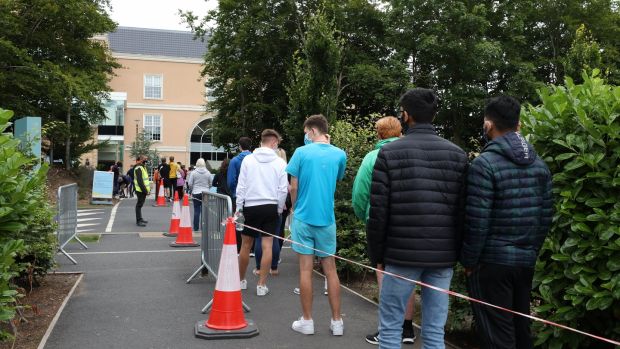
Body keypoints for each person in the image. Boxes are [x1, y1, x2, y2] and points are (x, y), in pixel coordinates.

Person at [367, 88, 468, 349]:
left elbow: (379, 211)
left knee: (390, 328)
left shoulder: (388, 154)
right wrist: (456, 253)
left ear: (405, 115)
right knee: (434, 331)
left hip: (400, 255)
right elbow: (461, 212)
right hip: (442, 256)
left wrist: (377, 255)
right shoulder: (457, 154)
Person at [461, 96, 553, 349]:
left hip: (491, 262)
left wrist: (469, 262)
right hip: (525, 262)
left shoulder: (484, 164)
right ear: (519, 125)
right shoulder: (540, 165)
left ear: (488, 125)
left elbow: (477, 220)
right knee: (520, 330)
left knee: (496, 335)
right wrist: (531, 251)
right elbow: (546, 216)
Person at [352, 116, 417, 345]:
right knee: (406, 274)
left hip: (378, 221)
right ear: (400, 131)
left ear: (379, 134)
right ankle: (407, 328)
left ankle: (387, 329)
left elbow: (360, 193)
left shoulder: (372, 157)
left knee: (383, 273)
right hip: (409, 222)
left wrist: (364, 215)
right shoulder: (412, 153)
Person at [287, 114, 347, 336]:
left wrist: (294, 207)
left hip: (303, 217)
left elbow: (293, 186)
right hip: (327, 219)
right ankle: (337, 321)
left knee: (305, 269)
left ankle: (307, 321)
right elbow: (337, 178)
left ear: (312, 131)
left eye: (306, 132)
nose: (305, 136)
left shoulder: (301, 152)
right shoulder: (339, 154)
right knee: (330, 270)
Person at [236, 129, 288, 297]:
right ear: (273, 142)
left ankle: (241, 280)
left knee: (245, 245)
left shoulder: (248, 160)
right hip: (271, 206)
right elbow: (282, 190)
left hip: (250, 206)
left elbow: (241, 186)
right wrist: (279, 208)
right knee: (267, 246)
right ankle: (261, 285)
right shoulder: (280, 163)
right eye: (277, 143)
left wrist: (239, 208)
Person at [253, 147, 289, 276]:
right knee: (274, 238)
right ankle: (274, 267)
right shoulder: (284, 167)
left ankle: (259, 268)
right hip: (277, 205)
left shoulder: (261, 166)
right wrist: (280, 208)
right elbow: (284, 189)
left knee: (259, 238)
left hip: (259, 204)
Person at [227, 137, 252, 251]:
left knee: (239, 221)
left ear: (239, 146)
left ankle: (239, 247)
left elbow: (231, 180)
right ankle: (252, 247)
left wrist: (233, 191)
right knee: (252, 221)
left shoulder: (235, 161)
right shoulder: (254, 159)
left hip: (238, 195)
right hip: (253, 195)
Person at [187, 158, 212, 232]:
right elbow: (210, 183)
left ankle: (196, 227)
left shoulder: (193, 173)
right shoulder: (208, 172)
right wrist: (207, 188)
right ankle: (204, 227)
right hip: (205, 193)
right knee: (205, 211)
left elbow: (190, 183)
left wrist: (192, 189)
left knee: (196, 210)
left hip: (196, 192)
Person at [133, 155, 150, 227]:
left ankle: (140, 218)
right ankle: (138, 221)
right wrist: (145, 191)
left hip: (142, 190)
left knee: (140, 205)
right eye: (144, 159)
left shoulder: (143, 167)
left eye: (146, 159)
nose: (146, 160)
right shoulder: (138, 168)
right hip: (140, 190)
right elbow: (140, 181)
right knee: (139, 205)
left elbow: (145, 180)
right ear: (139, 160)